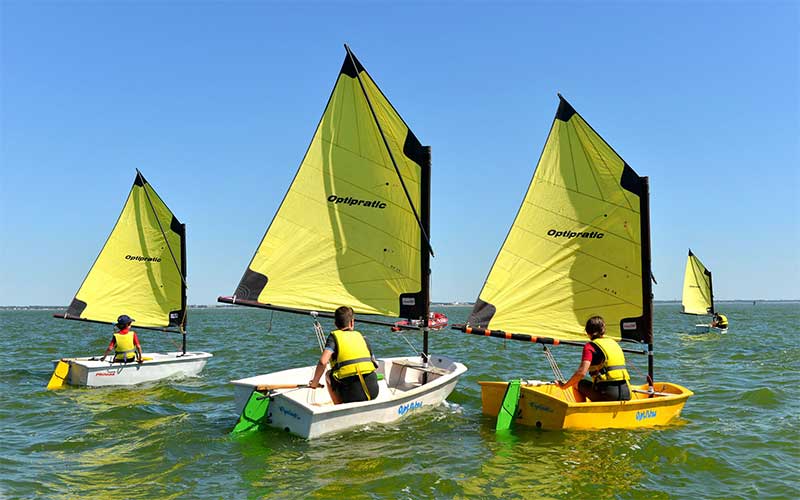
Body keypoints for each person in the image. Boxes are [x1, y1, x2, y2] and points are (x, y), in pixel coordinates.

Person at [308, 306, 379, 404]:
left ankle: (339, 406)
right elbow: (374, 363)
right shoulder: (362, 337)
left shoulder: (333, 337)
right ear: (352, 322)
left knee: (328, 374)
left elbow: (323, 362)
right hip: (373, 391)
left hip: (352, 395)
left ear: (335, 324)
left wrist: (315, 383)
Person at [556, 316, 631, 402]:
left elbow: (581, 373)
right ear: (603, 330)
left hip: (608, 395)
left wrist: (564, 386)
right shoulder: (614, 343)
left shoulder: (590, 346)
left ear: (588, 332)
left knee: (576, 383)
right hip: (626, 393)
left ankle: (582, 412)